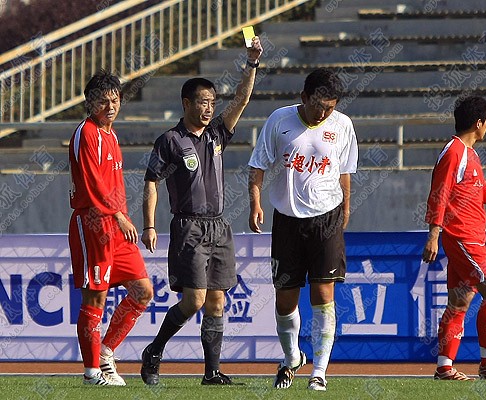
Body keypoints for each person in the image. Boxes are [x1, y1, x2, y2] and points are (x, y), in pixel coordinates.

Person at [140, 36, 263, 386]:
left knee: (217, 301)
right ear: (186, 103)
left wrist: (251, 63)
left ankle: (211, 372)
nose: (209, 108)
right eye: (203, 102)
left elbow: (242, 98)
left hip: (219, 227)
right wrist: (149, 225)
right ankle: (154, 350)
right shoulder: (170, 140)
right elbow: (152, 182)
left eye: (212, 102)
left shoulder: (217, 135)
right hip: (188, 227)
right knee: (193, 300)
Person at [248, 68, 358, 391]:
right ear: (303, 98)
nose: (323, 113)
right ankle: (292, 356)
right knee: (285, 300)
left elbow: (345, 173)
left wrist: (346, 209)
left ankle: (319, 372)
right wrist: (256, 203)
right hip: (286, 221)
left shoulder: (343, 126)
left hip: (326, 220)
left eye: (330, 107)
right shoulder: (279, 121)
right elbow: (257, 167)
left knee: (324, 296)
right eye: (318, 106)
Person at [68, 70, 153, 386]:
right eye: (103, 100)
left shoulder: (111, 134)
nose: (110, 106)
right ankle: (92, 372)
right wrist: (119, 216)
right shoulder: (86, 133)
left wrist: (120, 218)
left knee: (143, 291)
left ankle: (106, 353)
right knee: (95, 299)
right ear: (90, 103)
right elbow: (92, 184)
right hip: (93, 224)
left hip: (118, 225)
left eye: (115, 100)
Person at [422, 95, 486, 380]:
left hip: (470, 236)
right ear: (479, 123)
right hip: (463, 237)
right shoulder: (454, 152)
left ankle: (444, 367)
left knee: (459, 302)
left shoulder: (469, 153)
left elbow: (476, 189)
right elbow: (440, 192)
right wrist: (434, 234)